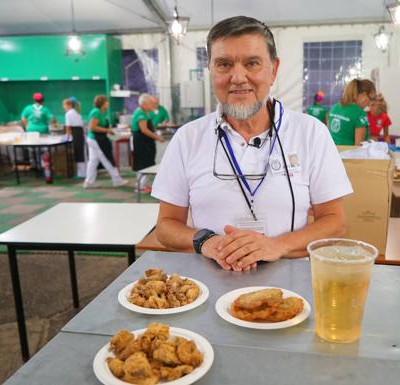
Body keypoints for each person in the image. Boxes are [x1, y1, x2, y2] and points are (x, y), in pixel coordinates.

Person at [151, 16, 352, 272]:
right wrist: (208, 242)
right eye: (224, 64)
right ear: (211, 70)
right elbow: (166, 226)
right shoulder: (188, 138)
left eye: (252, 63)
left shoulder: (311, 133)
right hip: (210, 285)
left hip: (291, 288)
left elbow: (335, 222)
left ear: (274, 70)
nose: (238, 77)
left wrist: (276, 246)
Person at [84, 95, 127, 189]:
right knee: (107, 159)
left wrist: (108, 130)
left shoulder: (100, 112)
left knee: (93, 161)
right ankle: (117, 180)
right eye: (107, 102)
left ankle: (89, 181)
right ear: (102, 103)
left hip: (94, 139)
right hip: (96, 140)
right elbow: (93, 127)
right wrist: (107, 130)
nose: (108, 104)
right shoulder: (96, 112)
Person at [132, 93, 165, 193]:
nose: (152, 105)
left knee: (147, 162)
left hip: (145, 142)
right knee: (144, 163)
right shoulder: (141, 114)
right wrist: (158, 137)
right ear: (144, 103)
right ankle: (140, 186)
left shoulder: (145, 113)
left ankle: (143, 185)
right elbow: (144, 130)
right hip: (142, 143)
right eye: (151, 103)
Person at [327, 79, 375, 145]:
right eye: (371, 99)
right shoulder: (360, 113)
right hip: (348, 154)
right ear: (363, 95)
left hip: (332, 152)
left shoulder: (335, 107)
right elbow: (358, 147)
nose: (369, 104)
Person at [63, 97, 86, 177]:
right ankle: (82, 172)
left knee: (78, 153)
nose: (64, 107)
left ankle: (81, 173)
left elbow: (68, 127)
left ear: (69, 105)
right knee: (81, 153)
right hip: (80, 133)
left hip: (75, 133)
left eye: (64, 105)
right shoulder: (76, 112)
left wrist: (68, 137)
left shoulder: (68, 113)